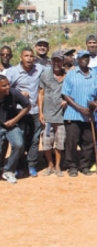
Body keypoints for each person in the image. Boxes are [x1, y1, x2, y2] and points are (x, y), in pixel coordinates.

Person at [6, 47, 45, 177]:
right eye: (26, 56)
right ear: (20, 58)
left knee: (34, 140)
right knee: (20, 140)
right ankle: (19, 165)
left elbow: (55, 69)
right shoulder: (12, 72)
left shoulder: (39, 69)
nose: (29, 58)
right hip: (19, 112)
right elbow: (5, 87)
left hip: (34, 111)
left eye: (31, 56)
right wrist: (18, 94)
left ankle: (32, 165)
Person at [62, 50, 97, 177]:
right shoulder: (71, 74)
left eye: (87, 57)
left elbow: (96, 95)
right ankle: (72, 166)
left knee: (88, 142)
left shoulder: (94, 74)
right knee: (72, 142)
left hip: (89, 115)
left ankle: (84, 166)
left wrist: (93, 105)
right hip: (73, 114)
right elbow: (65, 94)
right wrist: (79, 108)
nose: (85, 60)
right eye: (82, 57)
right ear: (77, 59)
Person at [38, 50, 67, 177]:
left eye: (59, 60)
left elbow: (71, 91)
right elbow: (41, 94)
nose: (57, 62)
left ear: (63, 62)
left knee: (60, 142)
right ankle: (49, 165)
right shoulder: (45, 74)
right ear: (51, 61)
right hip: (48, 114)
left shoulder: (67, 75)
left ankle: (57, 166)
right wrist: (40, 112)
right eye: (54, 60)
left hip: (61, 115)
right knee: (47, 142)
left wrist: (66, 99)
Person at [0, 75, 31, 184]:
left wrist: (15, 120)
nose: (8, 87)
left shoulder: (13, 93)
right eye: (4, 86)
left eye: (8, 84)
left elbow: (27, 105)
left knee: (18, 144)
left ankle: (8, 170)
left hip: (11, 125)